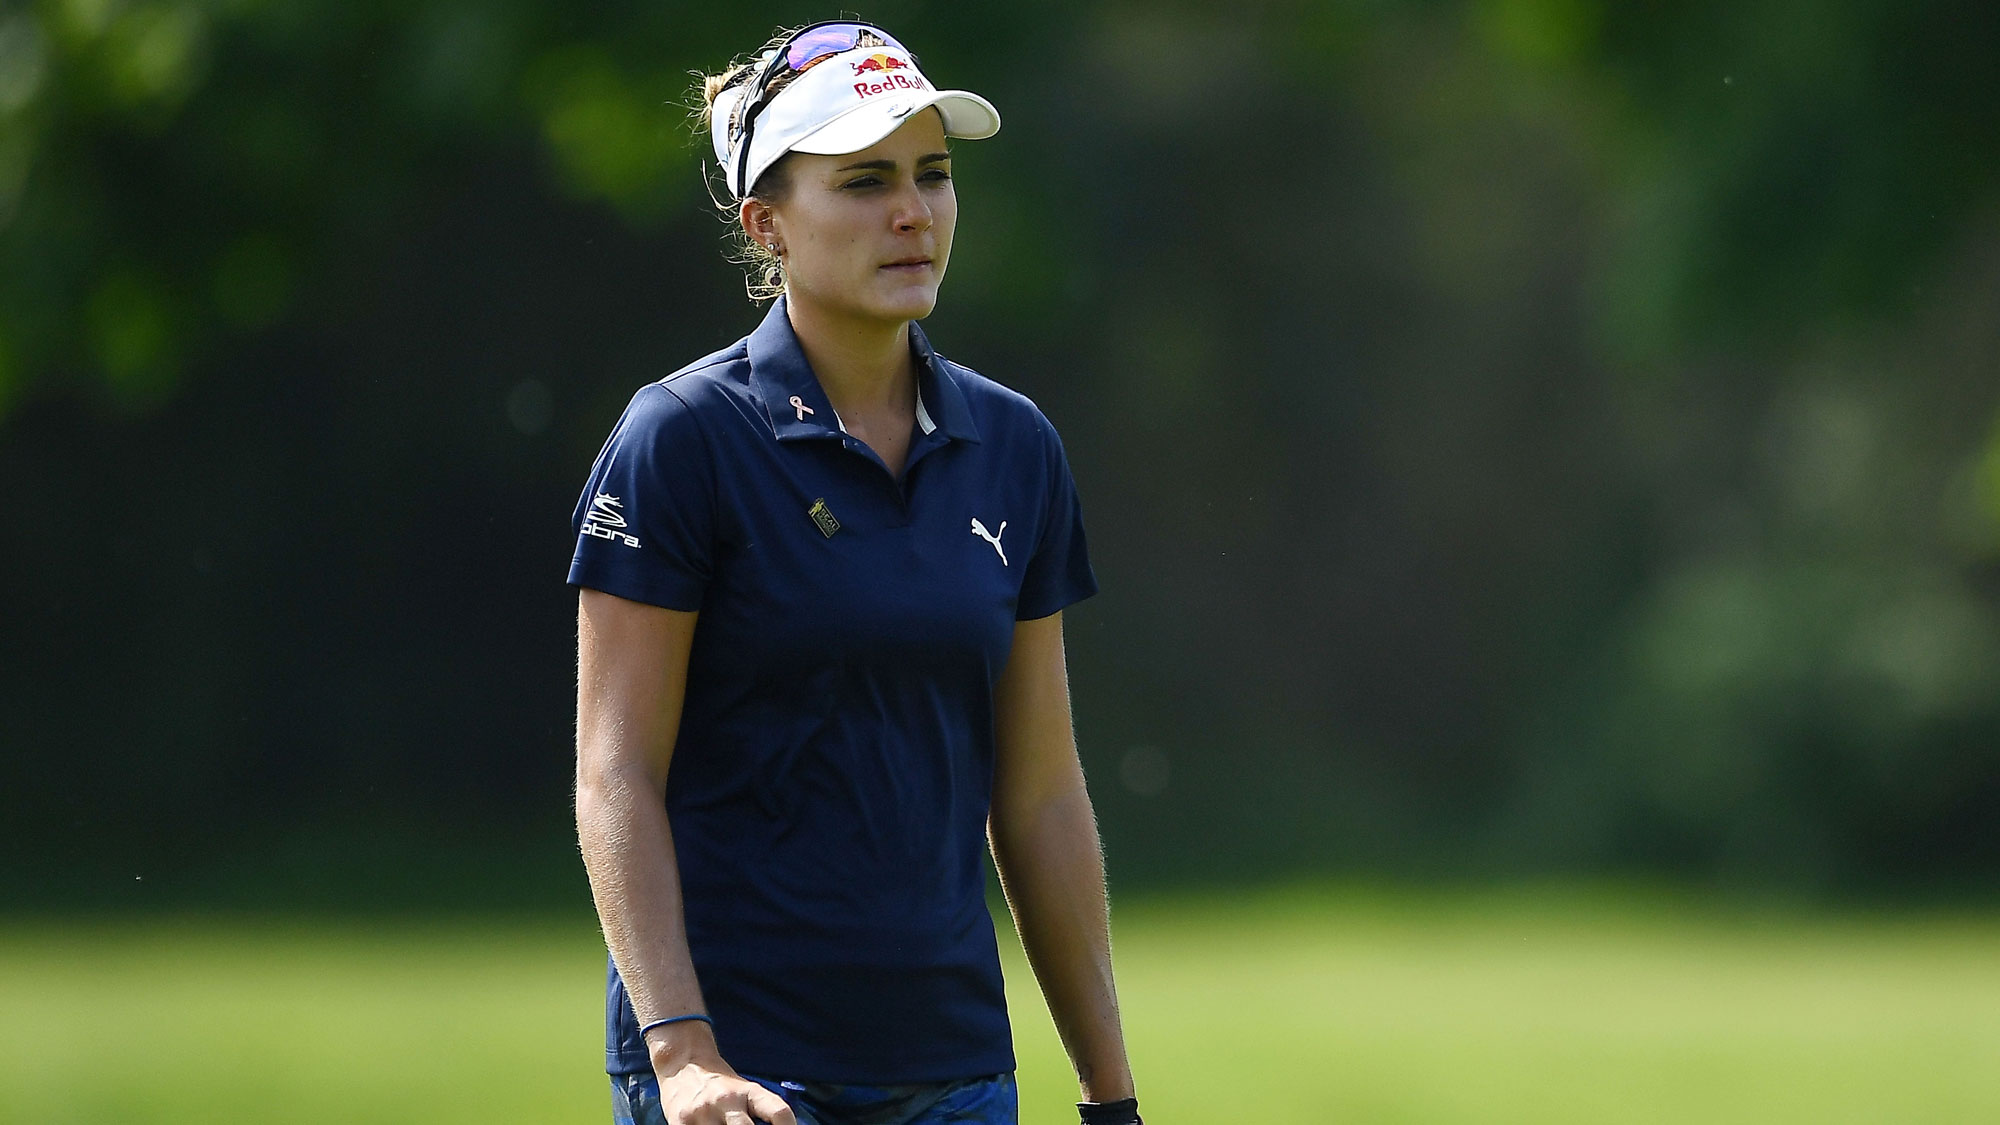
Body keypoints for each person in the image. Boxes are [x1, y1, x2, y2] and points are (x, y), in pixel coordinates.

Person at [567, 21, 1143, 1125]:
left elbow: (1038, 796)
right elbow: (614, 776)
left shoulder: (1015, 447)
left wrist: (1108, 1096)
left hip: (959, 1074)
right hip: (742, 1075)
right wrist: (682, 1054)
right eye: (865, 181)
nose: (912, 212)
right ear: (766, 223)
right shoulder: (679, 439)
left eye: (932, 175)